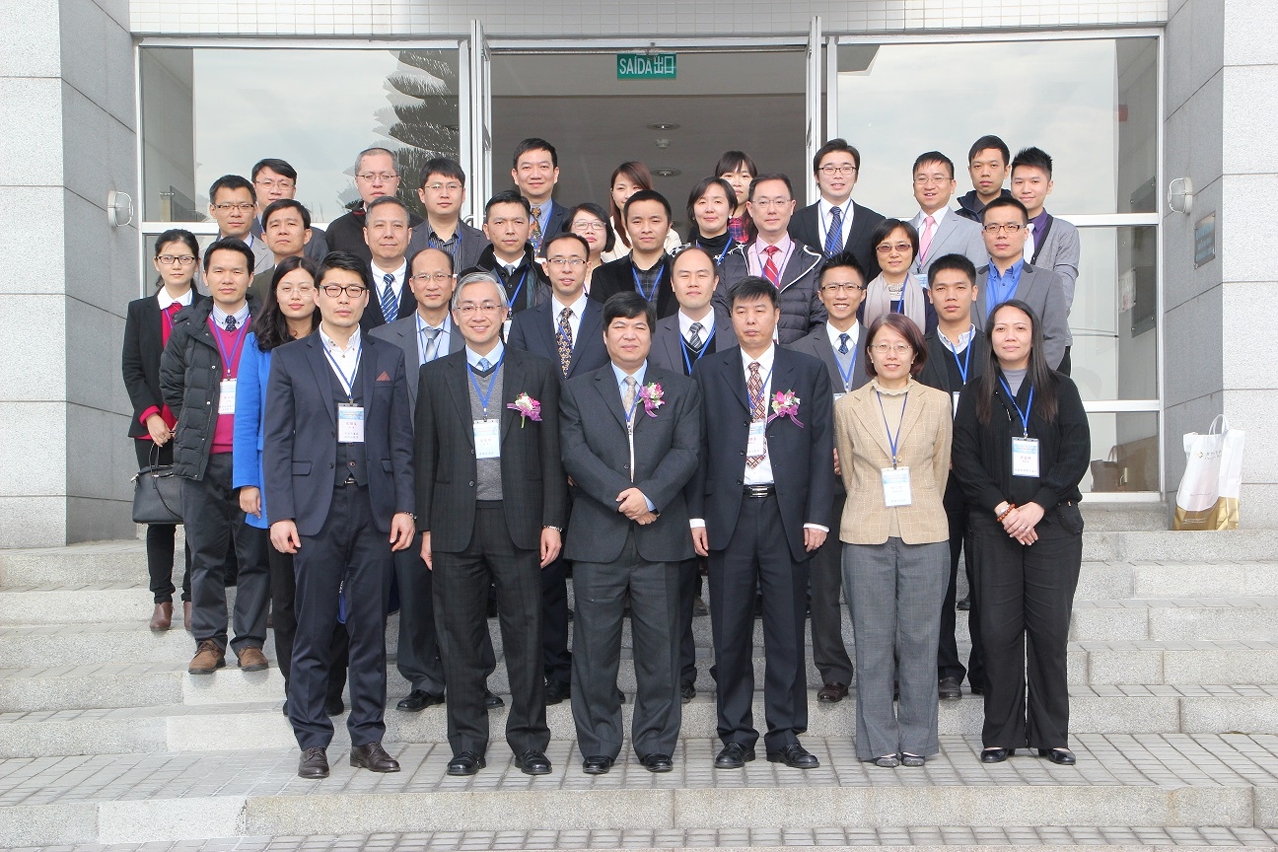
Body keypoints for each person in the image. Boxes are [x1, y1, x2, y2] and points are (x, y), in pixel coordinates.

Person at [263, 250, 417, 780]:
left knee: (371, 628)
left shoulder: (387, 357)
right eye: (334, 289)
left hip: (374, 509)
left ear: (366, 298)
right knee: (313, 627)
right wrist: (280, 512)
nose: (344, 298)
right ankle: (311, 738)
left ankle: (368, 738)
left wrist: (405, 506)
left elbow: (402, 439)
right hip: (313, 511)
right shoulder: (290, 359)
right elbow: (275, 442)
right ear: (317, 294)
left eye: (355, 290)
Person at [414, 271, 567, 777]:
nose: (478, 315)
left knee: (526, 633)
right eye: (469, 308)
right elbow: (426, 456)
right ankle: (467, 743)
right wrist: (428, 528)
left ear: (505, 313)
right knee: (458, 636)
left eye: (488, 306)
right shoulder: (435, 375)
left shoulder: (537, 371)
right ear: (456, 317)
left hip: (519, 521)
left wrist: (552, 521)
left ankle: (529, 741)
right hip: (455, 524)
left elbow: (551, 454)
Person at [690, 277, 835, 771]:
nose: (751, 320)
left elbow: (821, 448)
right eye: (741, 312)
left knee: (787, 628)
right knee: (729, 631)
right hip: (727, 514)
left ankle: (785, 733)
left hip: (785, 514)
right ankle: (735, 733)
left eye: (760, 311)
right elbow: (698, 448)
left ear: (777, 315)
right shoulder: (709, 372)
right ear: (730, 318)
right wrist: (696, 515)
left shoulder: (808, 371)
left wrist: (817, 515)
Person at [560, 291, 702, 775]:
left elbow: (687, 452)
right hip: (598, 538)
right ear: (605, 336)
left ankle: (656, 743)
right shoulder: (578, 388)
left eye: (638, 327)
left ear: (651, 333)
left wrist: (651, 497)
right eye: (619, 327)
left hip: (660, 537)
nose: (629, 335)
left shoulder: (679, 388)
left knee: (660, 649)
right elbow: (574, 453)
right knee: (594, 651)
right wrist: (626, 497)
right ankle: (598, 744)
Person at [950, 300, 1090, 766]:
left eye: (1020, 328)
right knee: (998, 631)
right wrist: (1006, 510)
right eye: (1001, 329)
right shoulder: (975, 395)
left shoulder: (1061, 390)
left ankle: (1052, 735)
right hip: (995, 528)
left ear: (1034, 336)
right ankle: (1001, 734)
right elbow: (965, 462)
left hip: (1053, 525)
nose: (1010, 336)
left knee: (1049, 633)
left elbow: (1076, 455)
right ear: (989, 339)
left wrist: (1036, 506)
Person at [370, 248, 501, 712]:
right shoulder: (382, 337)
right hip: (405, 475)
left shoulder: (474, 330)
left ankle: (474, 678)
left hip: (468, 477)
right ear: (410, 284)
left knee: (469, 588)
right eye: (421, 276)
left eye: (439, 276)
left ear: (453, 284)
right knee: (414, 582)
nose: (430, 284)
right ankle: (424, 676)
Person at [835, 313, 952, 768]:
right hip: (865, 530)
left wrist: (915, 504)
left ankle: (919, 740)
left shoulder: (938, 402)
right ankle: (878, 740)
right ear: (869, 353)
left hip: (925, 528)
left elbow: (940, 469)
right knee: (872, 639)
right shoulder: (848, 406)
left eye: (901, 347)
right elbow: (849, 468)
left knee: (921, 639)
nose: (891, 354)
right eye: (882, 346)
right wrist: (875, 504)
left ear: (915, 354)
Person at [233, 257, 348, 718]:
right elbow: (247, 419)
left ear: (320, 293)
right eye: (288, 287)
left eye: (306, 286)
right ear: (275, 296)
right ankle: (297, 688)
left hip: (332, 484)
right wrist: (247, 481)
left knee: (335, 592)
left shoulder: (338, 342)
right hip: (275, 484)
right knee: (287, 595)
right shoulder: (259, 346)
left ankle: (331, 686)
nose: (297, 295)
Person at [159, 237, 270, 676]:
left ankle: (249, 641)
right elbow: (172, 385)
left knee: (253, 556)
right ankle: (208, 640)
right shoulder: (187, 326)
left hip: (253, 462)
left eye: (237, 271)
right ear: (205, 276)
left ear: (249, 277)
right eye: (219, 271)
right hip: (201, 460)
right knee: (204, 555)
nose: (228, 279)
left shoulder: (266, 325)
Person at [508, 232, 609, 705]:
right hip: (542, 461)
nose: (567, 268)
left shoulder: (607, 315)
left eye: (576, 260)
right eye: (557, 261)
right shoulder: (525, 323)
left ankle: (595, 675)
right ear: (544, 267)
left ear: (590, 264)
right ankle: (553, 669)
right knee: (545, 576)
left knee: (595, 575)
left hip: (598, 463)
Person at [648, 245, 736, 703]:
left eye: (703, 274)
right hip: (667, 471)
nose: (694, 282)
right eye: (684, 274)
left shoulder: (737, 328)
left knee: (726, 582)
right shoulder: (652, 333)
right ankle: (681, 673)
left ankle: (728, 667)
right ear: (672, 282)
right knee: (675, 585)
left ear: (716, 282)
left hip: (728, 471)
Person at [785, 252, 870, 704]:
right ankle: (833, 670)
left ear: (862, 293)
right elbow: (788, 423)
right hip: (821, 486)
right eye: (832, 288)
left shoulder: (884, 344)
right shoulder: (798, 351)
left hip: (875, 484)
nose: (841, 295)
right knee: (824, 584)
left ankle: (883, 667)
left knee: (874, 579)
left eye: (849, 287)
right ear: (820, 295)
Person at [915, 254, 990, 701]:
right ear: (929, 296)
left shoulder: (995, 348)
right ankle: (946, 667)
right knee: (938, 579)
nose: (950, 296)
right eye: (940, 288)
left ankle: (985, 667)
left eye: (959, 287)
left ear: (974, 291)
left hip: (985, 484)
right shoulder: (918, 352)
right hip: (935, 482)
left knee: (986, 579)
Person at [122, 229, 201, 631]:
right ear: (157, 263)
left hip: (197, 427)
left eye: (185, 258)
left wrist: (189, 419)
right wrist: (151, 414)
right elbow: (132, 369)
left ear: (195, 265)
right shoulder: (140, 311)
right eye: (169, 258)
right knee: (159, 516)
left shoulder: (206, 308)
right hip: (151, 429)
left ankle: (191, 597)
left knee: (195, 514)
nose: (177, 265)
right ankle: (162, 598)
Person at [717, 174, 825, 344]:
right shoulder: (730, 263)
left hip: (797, 365)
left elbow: (821, 323)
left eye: (780, 202)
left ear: (792, 207)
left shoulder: (814, 264)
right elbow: (721, 320)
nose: (772, 210)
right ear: (750, 208)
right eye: (763, 202)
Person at [974, 198, 1069, 370]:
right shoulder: (968, 280)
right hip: (977, 384)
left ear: (1026, 233)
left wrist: (1030, 380)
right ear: (983, 234)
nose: (1001, 234)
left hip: (1031, 386)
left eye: (1011, 227)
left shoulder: (1048, 281)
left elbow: (1055, 338)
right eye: (993, 227)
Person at [1011, 146, 1080, 375]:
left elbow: (1064, 293)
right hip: (1004, 344)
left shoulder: (1064, 233)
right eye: (1019, 182)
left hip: (1051, 344)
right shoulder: (998, 230)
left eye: (1035, 181)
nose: (1026, 189)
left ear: (1049, 186)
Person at [788, 139, 886, 279]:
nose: (838, 175)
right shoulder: (795, 222)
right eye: (829, 168)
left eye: (846, 168)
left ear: (856, 175)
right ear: (816, 176)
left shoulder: (875, 223)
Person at [589, 189, 678, 318]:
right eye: (637, 222)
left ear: (669, 226)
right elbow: (597, 325)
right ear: (626, 225)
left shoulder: (683, 273)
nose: (646, 229)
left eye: (655, 221)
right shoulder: (604, 275)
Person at [326, 147, 424, 263]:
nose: (377, 183)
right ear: (357, 181)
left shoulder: (419, 227)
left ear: (397, 181)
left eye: (385, 176)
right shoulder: (338, 230)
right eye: (369, 177)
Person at [908, 152, 987, 275]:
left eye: (938, 178)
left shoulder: (972, 230)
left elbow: (978, 280)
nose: (929, 185)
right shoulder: (902, 230)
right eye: (922, 179)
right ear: (914, 187)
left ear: (952, 185)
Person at [407, 157, 490, 273]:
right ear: (422, 195)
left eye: (452, 186)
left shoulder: (483, 242)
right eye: (436, 187)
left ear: (463, 194)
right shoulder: (407, 241)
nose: (444, 194)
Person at [475, 190, 551, 315]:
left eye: (518, 222)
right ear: (486, 230)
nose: (510, 230)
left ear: (530, 229)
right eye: (500, 222)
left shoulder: (546, 278)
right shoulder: (469, 277)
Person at [862, 219, 937, 334]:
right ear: (875, 253)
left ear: (914, 250)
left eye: (902, 246)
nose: (893, 254)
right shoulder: (861, 298)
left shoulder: (928, 299)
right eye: (885, 247)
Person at [600, 162, 682, 263]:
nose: (628, 195)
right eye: (621, 188)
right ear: (612, 193)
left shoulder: (670, 236)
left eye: (636, 188)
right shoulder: (602, 233)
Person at [250, 158, 328, 262]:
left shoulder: (316, 238)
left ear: (293, 191)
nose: (275, 190)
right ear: (254, 188)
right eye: (268, 183)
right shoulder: (241, 234)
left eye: (284, 184)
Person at [361, 195, 416, 332]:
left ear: (409, 234)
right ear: (366, 235)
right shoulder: (354, 283)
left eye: (397, 226)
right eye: (379, 226)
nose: (388, 234)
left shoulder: (424, 281)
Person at [250, 199, 317, 303]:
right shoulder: (254, 285)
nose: (282, 231)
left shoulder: (323, 278)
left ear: (306, 235)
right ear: (265, 238)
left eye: (291, 224)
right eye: (275, 225)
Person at [208, 175, 272, 278]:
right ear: (213, 210)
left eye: (244, 206)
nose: (236, 213)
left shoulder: (272, 257)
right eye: (226, 206)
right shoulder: (198, 260)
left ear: (255, 210)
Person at [511, 138, 568, 253]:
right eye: (527, 167)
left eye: (543, 167)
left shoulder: (570, 220)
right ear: (515, 175)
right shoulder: (501, 222)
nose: (535, 175)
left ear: (555, 173)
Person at [956, 135, 1014, 224]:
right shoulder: (956, 221)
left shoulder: (1021, 216)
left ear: (1006, 170)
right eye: (978, 166)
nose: (985, 173)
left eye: (993, 165)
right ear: (970, 171)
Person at [685, 177, 738, 268]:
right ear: (693, 211)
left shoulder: (746, 254)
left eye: (717, 202)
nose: (709, 209)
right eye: (702, 202)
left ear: (731, 209)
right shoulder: (677, 255)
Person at [563, 202, 614, 284]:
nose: (590, 231)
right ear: (568, 232)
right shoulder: (555, 273)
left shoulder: (617, 275)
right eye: (582, 224)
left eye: (597, 225)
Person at [715, 151, 757, 245]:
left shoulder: (762, 220)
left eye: (744, 176)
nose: (737, 183)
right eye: (729, 176)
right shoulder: (707, 220)